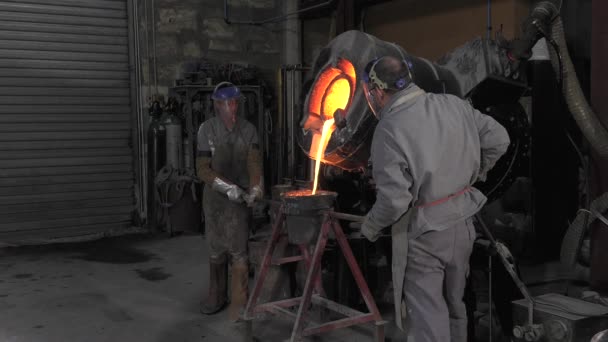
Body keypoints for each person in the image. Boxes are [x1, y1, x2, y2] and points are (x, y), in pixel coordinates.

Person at [359, 56, 510, 341]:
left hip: (424, 233)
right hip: (463, 225)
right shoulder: (454, 104)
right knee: (456, 306)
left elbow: (394, 202)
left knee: (428, 315)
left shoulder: (389, 129)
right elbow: (499, 139)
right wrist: (476, 172)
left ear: (377, 92)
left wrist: (370, 226)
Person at [196, 82, 263, 321]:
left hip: (239, 203)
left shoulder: (249, 131)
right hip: (215, 201)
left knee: (239, 251)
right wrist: (227, 188)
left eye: (234, 102)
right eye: (226, 103)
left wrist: (255, 188)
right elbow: (202, 169)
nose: (231, 107)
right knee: (216, 250)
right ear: (216, 105)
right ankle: (216, 296)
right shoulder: (206, 130)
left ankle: (239, 300)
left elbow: (254, 163)